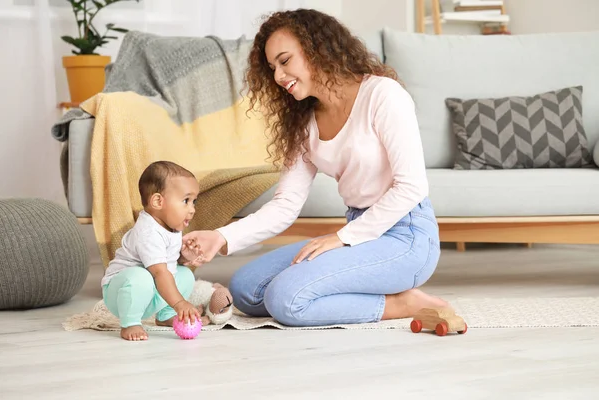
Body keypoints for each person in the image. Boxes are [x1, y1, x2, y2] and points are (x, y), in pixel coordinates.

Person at [182, 9, 449, 327]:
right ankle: (351, 289)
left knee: (286, 300)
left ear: (317, 49)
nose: (279, 76)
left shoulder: (383, 96)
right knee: (246, 291)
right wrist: (220, 236)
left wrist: (343, 237)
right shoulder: (304, 123)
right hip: (356, 230)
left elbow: (411, 186)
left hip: (406, 237)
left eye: (285, 60)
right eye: (272, 68)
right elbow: (284, 207)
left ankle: (402, 303)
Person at [101, 161, 205, 340]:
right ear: (158, 201)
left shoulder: (172, 227)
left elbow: (166, 263)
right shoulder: (148, 231)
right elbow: (159, 272)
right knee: (141, 277)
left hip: (152, 289)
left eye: (193, 202)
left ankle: (165, 315)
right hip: (122, 293)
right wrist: (179, 303)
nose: (192, 209)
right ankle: (130, 323)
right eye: (186, 201)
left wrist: (183, 257)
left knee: (184, 274)